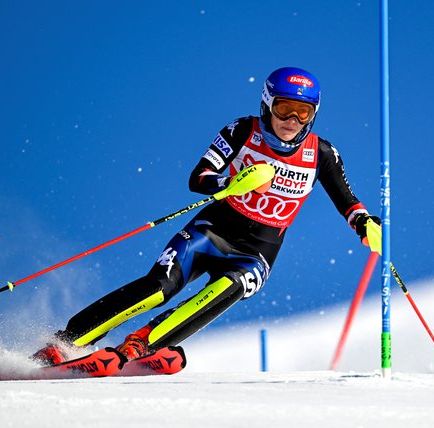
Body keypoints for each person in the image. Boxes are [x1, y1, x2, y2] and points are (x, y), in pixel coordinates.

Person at [31, 66, 381, 365]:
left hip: (257, 251)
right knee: (158, 289)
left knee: (225, 290)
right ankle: (65, 343)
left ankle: (140, 346)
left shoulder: (322, 153)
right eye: (284, 107)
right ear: (267, 103)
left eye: (302, 112)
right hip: (213, 230)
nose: (291, 120)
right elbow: (198, 177)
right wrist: (232, 182)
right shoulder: (242, 131)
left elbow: (347, 200)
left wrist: (365, 224)